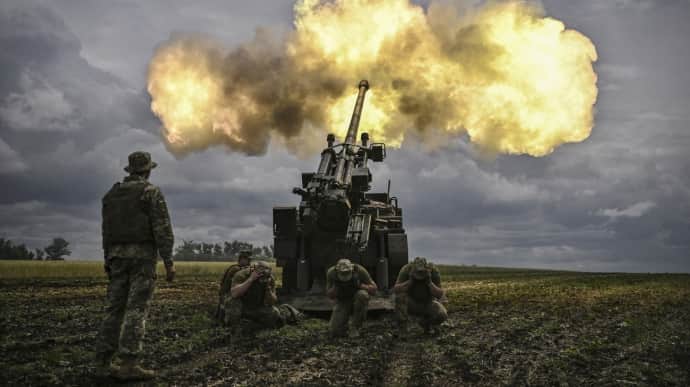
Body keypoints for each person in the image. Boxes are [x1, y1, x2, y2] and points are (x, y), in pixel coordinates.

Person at [97, 151, 175, 381]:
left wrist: (107, 259)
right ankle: (129, 364)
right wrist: (169, 262)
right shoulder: (151, 193)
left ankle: (102, 362)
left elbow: (106, 231)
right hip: (142, 258)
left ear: (130, 170)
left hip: (115, 257)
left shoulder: (111, 195)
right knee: (136, 309)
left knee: (113, 309)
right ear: (148, 170)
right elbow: (162, 230)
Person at [227, 261, 302, 330]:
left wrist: (268, 289)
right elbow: (234, 294)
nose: (263, 277)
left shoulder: (269, 278)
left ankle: (254, 325)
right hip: (242, 306)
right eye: (261, 274)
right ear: (254, 270)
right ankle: (233, 327)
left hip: (257, 306)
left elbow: (273, 301)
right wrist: (250, 279)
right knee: (234, 303)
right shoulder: (242, 274)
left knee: (275, 313)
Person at [393, 257, 447, 335]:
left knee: (442, 314)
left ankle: (426, 323)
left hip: (428, 303)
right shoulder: (407, 269)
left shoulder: (433, 271)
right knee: (400, 297)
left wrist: (429, 282)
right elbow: (396, 289)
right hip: (411, 303)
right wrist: (410, 281)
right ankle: (402, 329)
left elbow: (440, 294)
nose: (420, 275)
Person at [326, 258, 377, 338]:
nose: (345, 276)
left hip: (357, 297)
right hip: (343, 300)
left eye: (347, 273)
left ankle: (355, 327)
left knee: (362, 295)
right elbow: (330, 296)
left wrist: (360, 285)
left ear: (352, 269)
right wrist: (335, 287)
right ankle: (344, 324)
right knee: (335, 331)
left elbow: (374, 290)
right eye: (342, 274)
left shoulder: (359, 270)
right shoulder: (332, 273)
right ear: (337, 270)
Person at [216, 250, 252, 323]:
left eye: (249, 260)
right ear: (242, 259)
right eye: (248, 260)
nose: (249, 262)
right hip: (228, 295)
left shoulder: (234, 267)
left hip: (226, 294)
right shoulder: (237, 269)